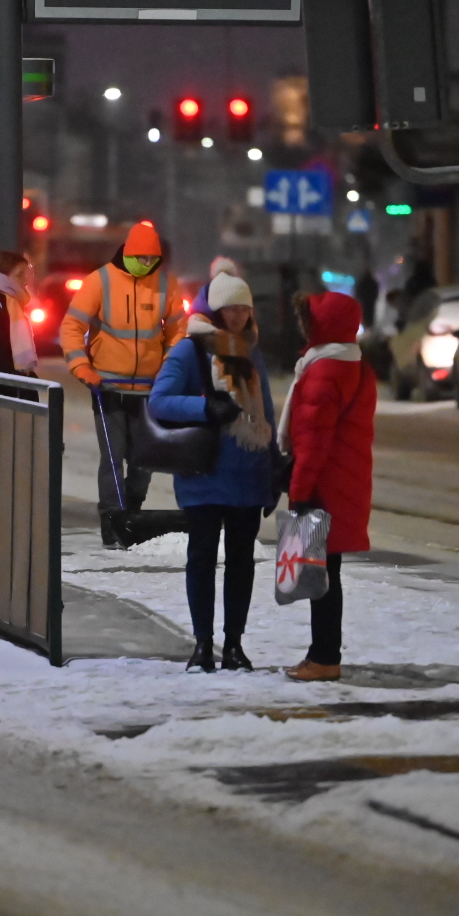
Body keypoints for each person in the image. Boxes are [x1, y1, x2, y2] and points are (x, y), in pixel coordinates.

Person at [149, 270, 277, 673]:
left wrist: (274, 463)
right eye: (231, 308)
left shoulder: (251, 350)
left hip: (247, 473)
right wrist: (205, 408)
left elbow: (265, 413)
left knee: (242, 562)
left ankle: (234, 645)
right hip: (205, 473)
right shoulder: (190, 350)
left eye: (244, 308)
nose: (238, 315)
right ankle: (202, 645)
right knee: (202, 559)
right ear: (215, 309)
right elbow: (160, 401)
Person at [60, 220, 187, 548]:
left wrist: (170, 367)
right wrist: (81, 367)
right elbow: (72, 325)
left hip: (149, 389)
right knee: (113, 456)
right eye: (142, 259)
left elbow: (177, 330)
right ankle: (113, 520)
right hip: (108, 387)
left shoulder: (166, 285)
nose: (148, 265)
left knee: (145, 459)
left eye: (153, 260)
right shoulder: (100, 281)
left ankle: (132, 511)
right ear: (129, 254)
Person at [278, 292, 377, 682]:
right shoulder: (354, 366)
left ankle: (324, 657)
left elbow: (313, 442)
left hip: (325, 485)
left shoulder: (323, 372)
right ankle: (321, 654)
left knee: (321, 578)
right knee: (325, 574)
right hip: (344, 482)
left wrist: (299, 491)